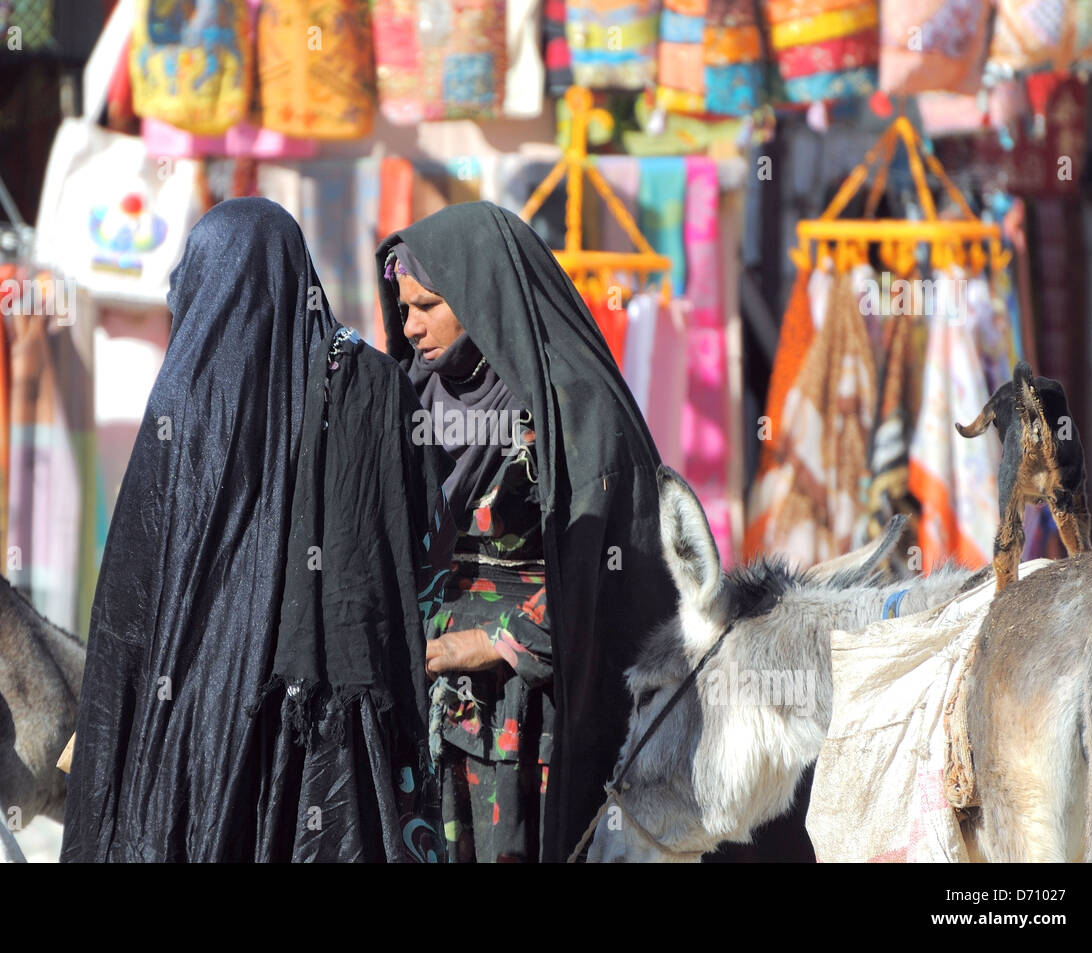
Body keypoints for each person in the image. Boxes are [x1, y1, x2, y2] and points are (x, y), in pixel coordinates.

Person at [61, 198, 454, 862]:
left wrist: (113, 722)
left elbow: (135, 592)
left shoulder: (182, 400)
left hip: (200, 726)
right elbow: (410, 540)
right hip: (335, 730)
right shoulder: (371, 382)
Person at [376, 201, 678, 862]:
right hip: (428, 717)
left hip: (531, 721)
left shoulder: (575, 411)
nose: (411, 325)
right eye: (403, 309)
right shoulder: (409, 401)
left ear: (480, 296)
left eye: (428, 304)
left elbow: (614, 573)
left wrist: (483, 642)